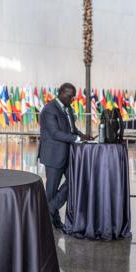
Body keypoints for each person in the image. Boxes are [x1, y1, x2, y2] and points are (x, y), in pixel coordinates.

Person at [39, 83, 91, 229]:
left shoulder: (68, 109)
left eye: (73, 96)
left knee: (75, 181)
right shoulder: (49, 110)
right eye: (70, 96)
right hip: (53, 155)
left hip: (67, 154)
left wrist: (82, 135)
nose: (72, 99)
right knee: (51, 190)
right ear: (61, 93)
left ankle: (50, 209)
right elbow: (55, 133)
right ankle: (51, 221)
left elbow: (72, 129)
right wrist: (77, 139)